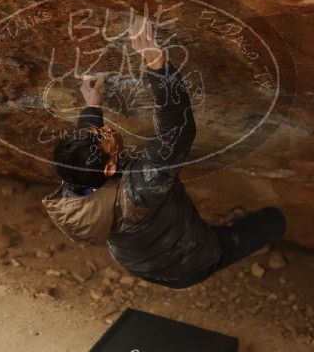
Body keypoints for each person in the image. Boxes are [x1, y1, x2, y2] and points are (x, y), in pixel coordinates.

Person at [42, 16, 287, 288]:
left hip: (142, 265)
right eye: (105, 135)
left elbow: (84, 158)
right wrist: (158, 66)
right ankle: (241, 232)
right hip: (192, 261)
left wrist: (92, 108)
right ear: (110, 170)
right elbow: (177, 132)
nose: (108, 129)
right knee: (273, 220)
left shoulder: (74, 183)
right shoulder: (141, 189)